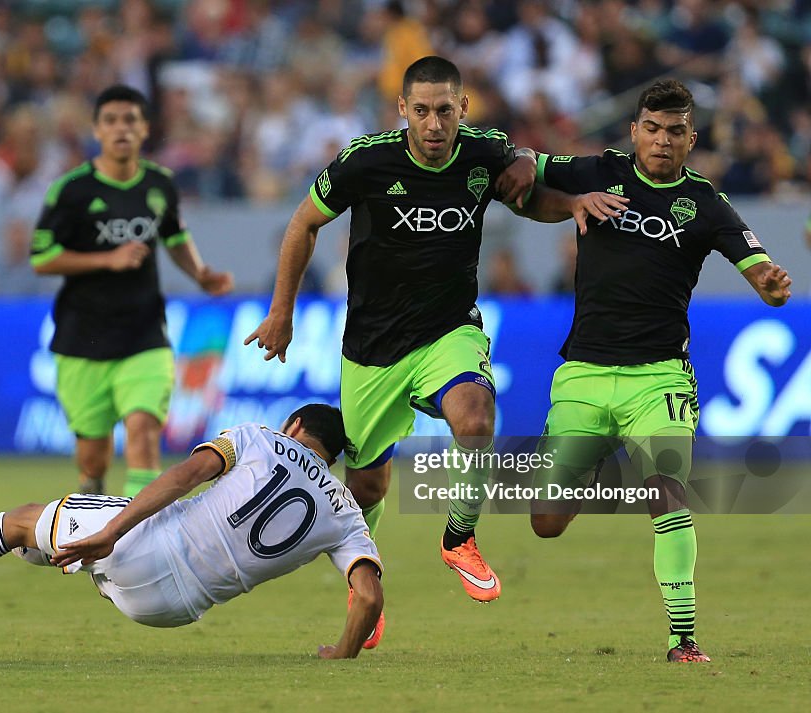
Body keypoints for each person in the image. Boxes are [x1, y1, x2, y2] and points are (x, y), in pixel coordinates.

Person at [245, 56, 626, 603]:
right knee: (368, 486)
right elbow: (303, 222)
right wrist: (282, 312)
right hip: (373, 348)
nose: (433, 124)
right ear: (402, 110)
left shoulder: (483, 152)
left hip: (450, 331)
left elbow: (527, 197)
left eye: (444, 110)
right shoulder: (365, 161)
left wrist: (570, 203)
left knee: (475, 419)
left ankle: (459, 537)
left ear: (462, 108)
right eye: (420, 111)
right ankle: (364, 588)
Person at [528, 79, 792, 663]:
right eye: (652, 129)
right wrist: (565, 201)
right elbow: (523, 168)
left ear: (691, 139)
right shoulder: (600, 172)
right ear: (634, 131)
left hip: (660, 379)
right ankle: (599, 458)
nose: (662, 141)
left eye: (675, 132)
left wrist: (771, 285)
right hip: (584, 375)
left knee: (667, 491)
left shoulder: (705, 204)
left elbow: (760, 272)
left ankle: (683, 639)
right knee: (545, 521)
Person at [0, 404, 384, 659]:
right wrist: (343, 653)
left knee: (25, 521)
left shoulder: (261, 438)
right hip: (171, 611)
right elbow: (367, 596)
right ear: (333, 456)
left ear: (293, 427)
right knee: (44, 536)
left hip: (144, 544)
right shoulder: (346, 513)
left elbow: (184, 476)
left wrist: (117, 530)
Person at [31, 85, 233, 497]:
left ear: (144, 130)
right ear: (97, 131)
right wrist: (106, 259)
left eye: (130, 120)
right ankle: (92, 502)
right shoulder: (71, 190)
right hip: (82, 338)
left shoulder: (160, 185)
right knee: (93, 456)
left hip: (144, 334)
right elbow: (42, 257)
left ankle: (138, 540)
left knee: (143, 430)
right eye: (111, 121)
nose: (121, 128)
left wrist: (200, 274)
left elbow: (175, 236)